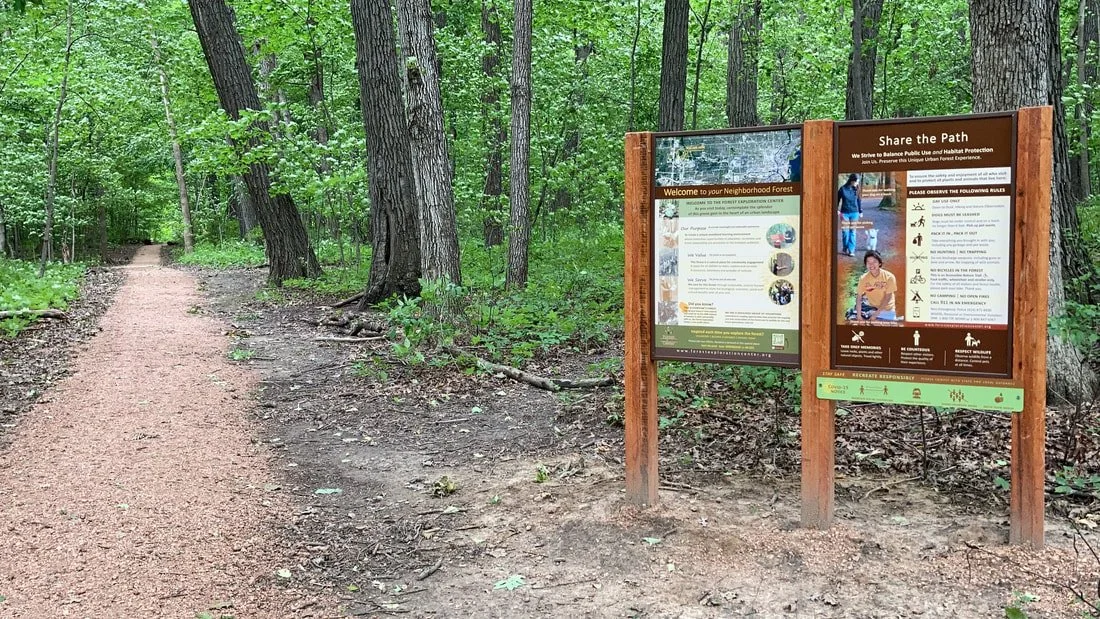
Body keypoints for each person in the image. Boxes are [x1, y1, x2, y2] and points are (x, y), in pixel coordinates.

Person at [850, 250, 897, 321]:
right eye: (868, 262)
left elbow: (887, 298)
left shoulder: (889, 277)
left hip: (887, 310)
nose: (871, 265)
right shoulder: (863, 278)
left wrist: (875, 315)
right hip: (872, 308)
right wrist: (859, 316)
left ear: (879, 263)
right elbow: (859, 297)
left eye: (874, 262)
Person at [836, 174, 861, 256]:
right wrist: (837, 209)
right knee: (845, 232)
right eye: (856, 181)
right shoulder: (842, 189)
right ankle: (845, 248)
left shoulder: (857, 189)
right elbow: (837, 199)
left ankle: (851, 250)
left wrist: (860, 211)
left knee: (853, 231)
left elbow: (858, 200)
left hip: (855, 213)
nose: (857, 183)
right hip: (844, 213)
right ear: (852, 180)